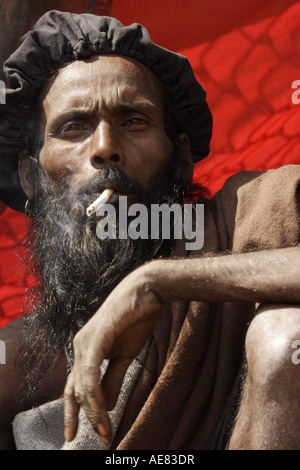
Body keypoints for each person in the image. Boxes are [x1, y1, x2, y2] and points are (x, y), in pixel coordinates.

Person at [0, 10, 299, 451]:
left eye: (134, 121)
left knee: (284, 335)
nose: (105, 149)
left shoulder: (248, 212)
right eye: (73, 127)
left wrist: (156, 282)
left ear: (179, 159)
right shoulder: (18, 359)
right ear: (30, 177)